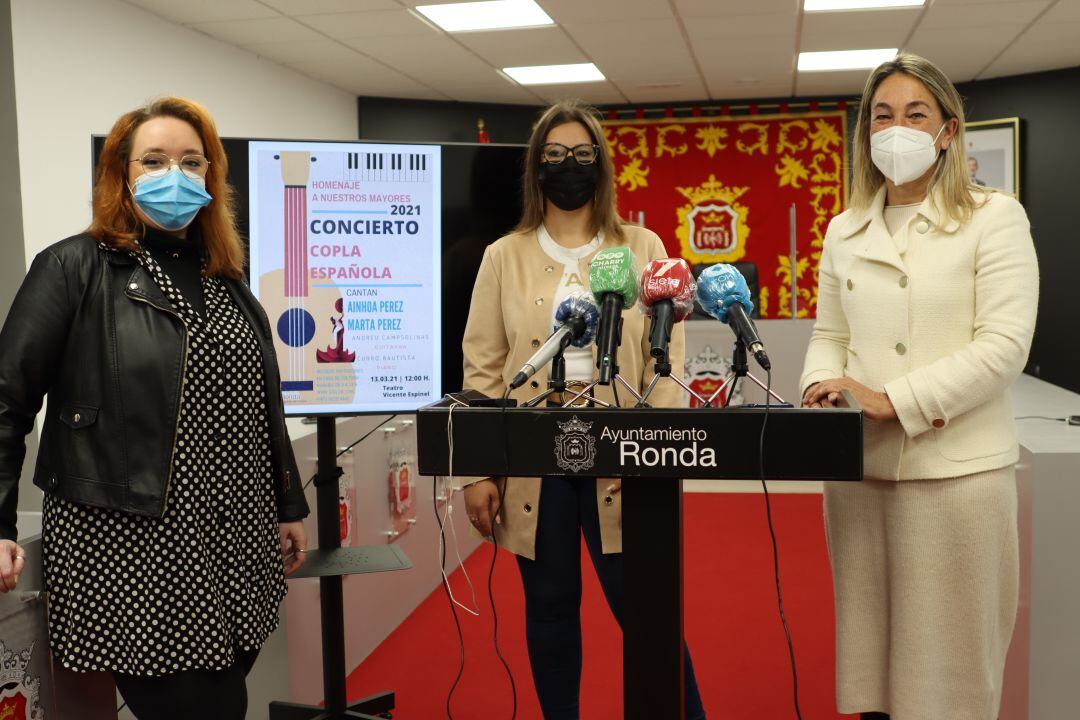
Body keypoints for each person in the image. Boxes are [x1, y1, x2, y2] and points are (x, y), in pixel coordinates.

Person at [0, 97, 310, 720]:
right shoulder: (72, 267)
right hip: (132, 540)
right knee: (201, 708)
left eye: (192, 161)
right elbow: (6, 398)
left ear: (211, 178)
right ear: (122, 173)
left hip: (237, 537)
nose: (175, 174)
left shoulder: (227, 278)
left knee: (227, 694)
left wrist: (287, 504)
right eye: (155, 159)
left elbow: (260, 406)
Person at [801, 54, 1038, 720]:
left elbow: (1003, 348)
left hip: (957, 484)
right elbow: (830, 336)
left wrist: (891, 400)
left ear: (947, 131)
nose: (895, 129)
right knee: (874, 680)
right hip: (862, 481)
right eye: (881, 115)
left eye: (914, 114)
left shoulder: (995, 218)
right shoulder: (844, 229)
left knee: (950, 687)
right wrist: (823, 383)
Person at [460, 99, 706, 720]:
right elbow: (483, 370)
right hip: (534, 466)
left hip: (626, 462)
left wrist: (654, 452)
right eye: (553, 155)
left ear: (601, 166)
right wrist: (478, 471)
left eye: (580, 154)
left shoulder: (645, 246)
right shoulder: (501, 257)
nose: (567, 166)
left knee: (646, 614)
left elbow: (666, 365)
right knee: (548, 611)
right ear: (534, 169)